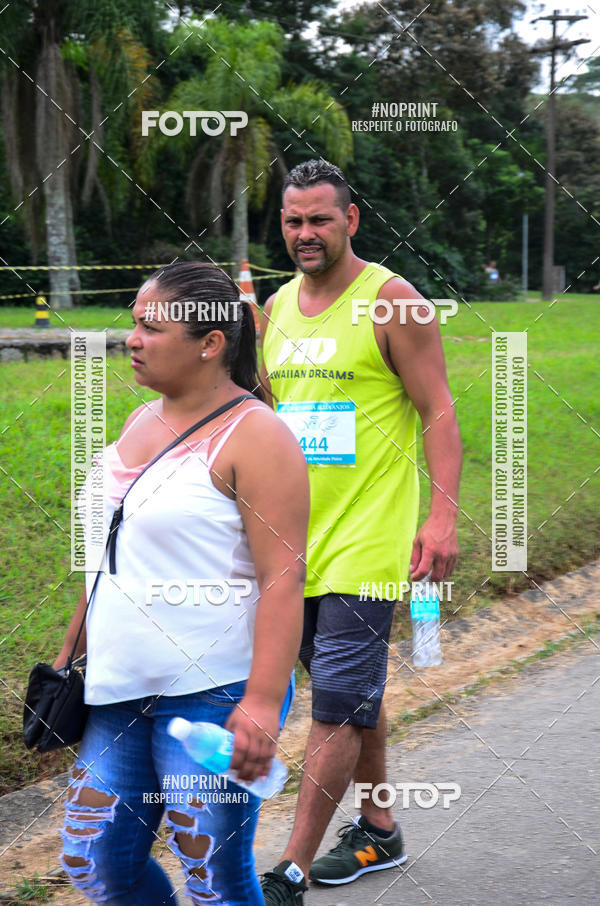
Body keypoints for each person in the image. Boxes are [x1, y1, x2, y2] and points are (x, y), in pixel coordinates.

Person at [54, 262, 309, 906]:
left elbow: (284, 580)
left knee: (214, 880)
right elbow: (109, 554)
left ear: (210, 342)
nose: (131, 339)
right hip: (117, 689)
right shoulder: (140, 423)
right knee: (95, 862)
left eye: (151, 327)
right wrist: (71, 659)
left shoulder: (259, 436)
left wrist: (260, 701)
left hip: (212, 694)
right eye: (133, 325)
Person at [259, 160, 462, 904]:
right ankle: (377, 827)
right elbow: (272, 417)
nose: (305, 233)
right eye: (292, 221)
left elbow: (439, 412)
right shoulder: (277, 307)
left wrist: (440, 519)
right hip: (295, 541)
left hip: (369, 542)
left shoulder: (393, 301)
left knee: (338, 701)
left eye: (319, 218)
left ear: (351, 219)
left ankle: (289, 870)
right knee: (351, 692)